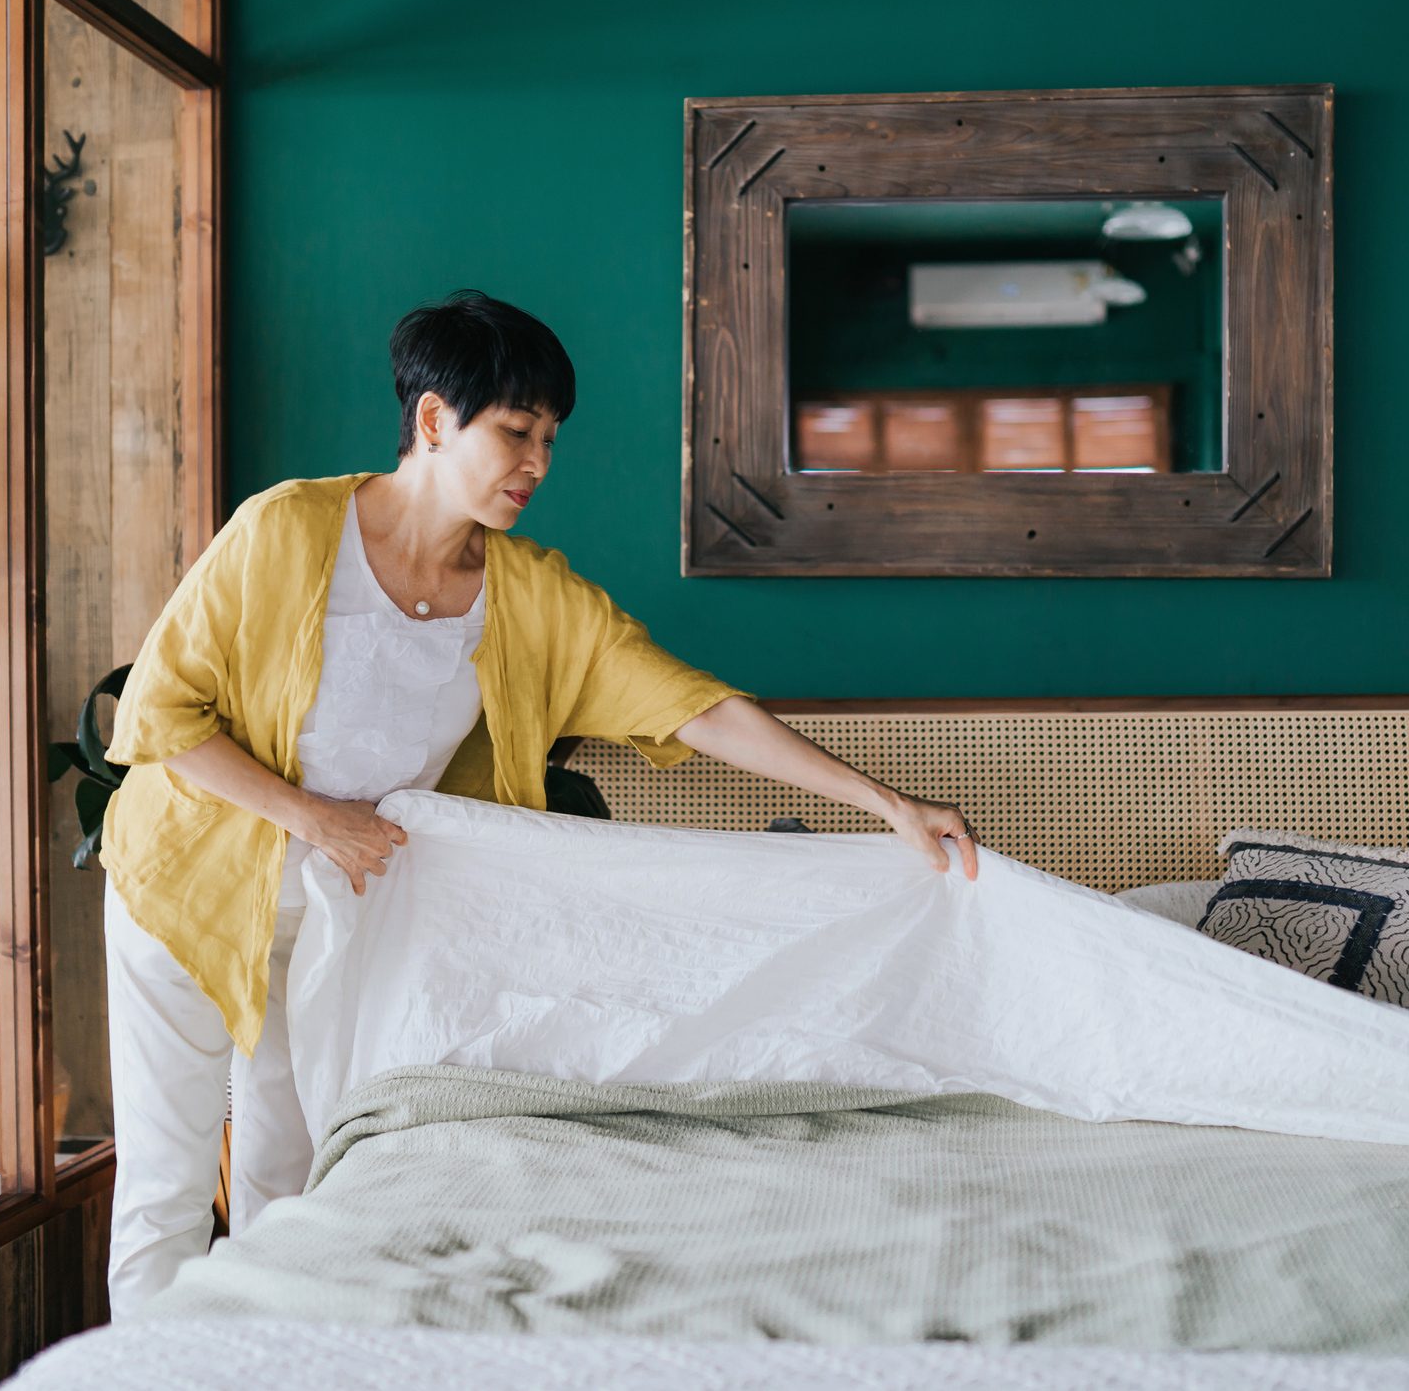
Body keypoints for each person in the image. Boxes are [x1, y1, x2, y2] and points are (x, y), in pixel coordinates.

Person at [95, 289, 982, 1317]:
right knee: (165, 1183)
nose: (540, 462)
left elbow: (693, 706)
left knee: (295, 1181)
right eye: (517, 431)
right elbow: (161, 713)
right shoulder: (287, 531)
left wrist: (885, 804)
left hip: (341, 921)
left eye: (550, 437)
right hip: (189, 890)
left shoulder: (529, 595)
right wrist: (311, 816)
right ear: (434, 421)